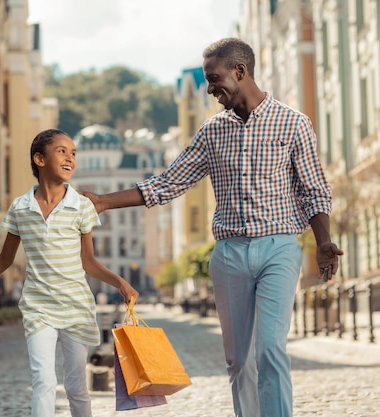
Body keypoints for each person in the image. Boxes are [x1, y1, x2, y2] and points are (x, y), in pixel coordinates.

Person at [81, 38, 343, 417]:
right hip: (230, 255)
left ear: (240, 71)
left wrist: (323, 241)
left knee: (270, 348)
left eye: (214, 77)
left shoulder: (294, 123)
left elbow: (314, 189)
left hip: (279, 248)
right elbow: (168, 183)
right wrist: (104, 201)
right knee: (239, 361)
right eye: (206, 80)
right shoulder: (212, 132)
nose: (210, 87)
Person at [0, 128, 139, 417]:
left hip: (76, 306)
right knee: (43, 380)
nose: (70, 158)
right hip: (38, 308)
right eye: (62, 151)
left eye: (73, 153)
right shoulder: (21, 208)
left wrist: (120, 282)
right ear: (40, 159)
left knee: (75, 385)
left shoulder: (82, 207)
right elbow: (3, 259)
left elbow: (89, 262)